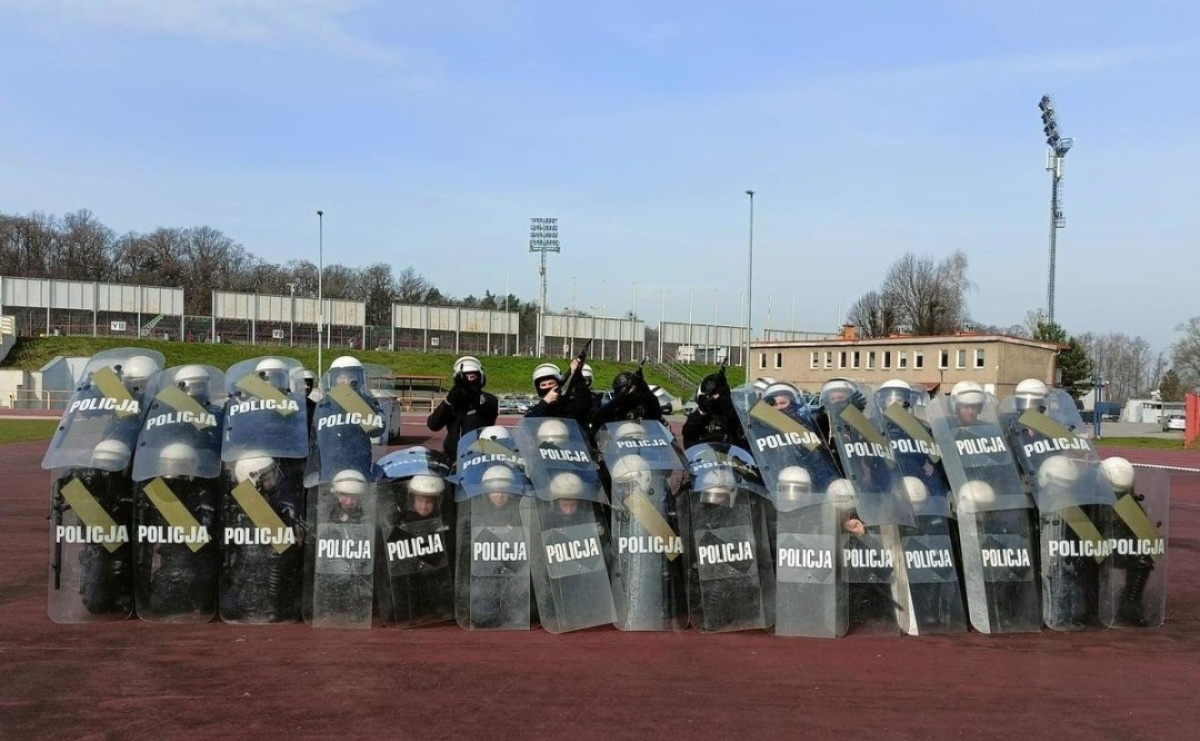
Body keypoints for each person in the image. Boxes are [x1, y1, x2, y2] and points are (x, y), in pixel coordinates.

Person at [427, 356, 499, 461]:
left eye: (473, 377)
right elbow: (433, 425)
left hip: (479, 460)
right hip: (452, 460)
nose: (469, 381)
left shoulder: (488, 400)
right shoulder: (453, 402)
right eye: (465, 378)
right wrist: (448, 401)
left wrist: (471, 392)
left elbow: (487, 407)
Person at [682, 369, 747, 449]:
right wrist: (701, 411)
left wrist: (727, 403)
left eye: (718, 394)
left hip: (730, 458)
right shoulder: (699, 416)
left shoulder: (732, 415)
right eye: (713, 395)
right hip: (704, 458)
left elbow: (740, 432)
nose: (716, 398)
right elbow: (688, 434)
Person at [525, 359, 593, 428]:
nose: (548, 387)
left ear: (558, 385)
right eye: (543, 385)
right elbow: (528, 423)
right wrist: (544, 403)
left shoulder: (567, 405)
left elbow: (584, 404)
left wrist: (578, 377)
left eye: (551, 383)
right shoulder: (537, 410)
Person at [592, 365, 664, 428]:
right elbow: (598, 417)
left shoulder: (645, 404)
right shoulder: (615, 409)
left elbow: (654, 407)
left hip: (648, 439)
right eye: (624, 389)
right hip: (620, 440)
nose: (629, 392)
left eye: (632, 388)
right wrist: (622, 397)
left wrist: (643, 385)